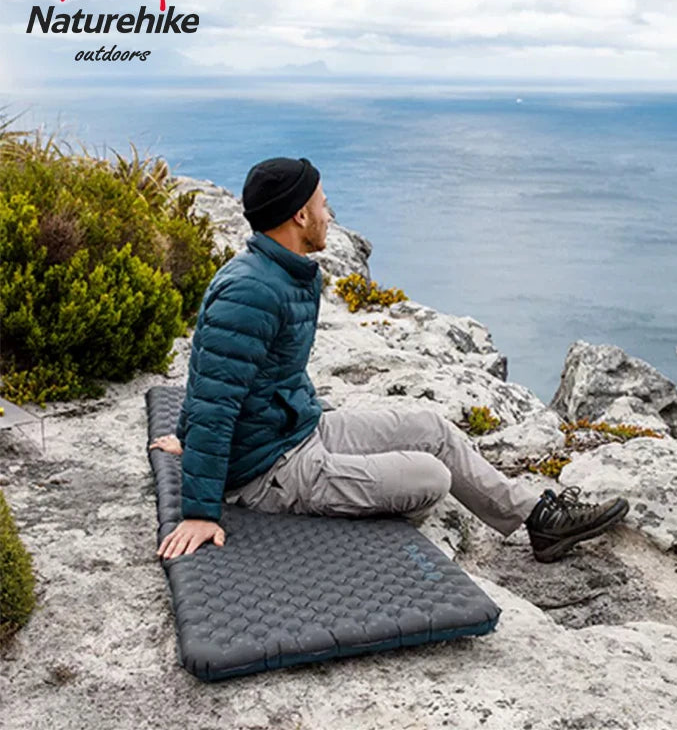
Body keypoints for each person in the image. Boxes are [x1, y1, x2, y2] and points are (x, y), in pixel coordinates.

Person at [151, 156, 629, 564]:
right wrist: (200, 510)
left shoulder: (281, 273)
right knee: (431, 477)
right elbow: (216, 396)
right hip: (266, 473)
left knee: (432, 429)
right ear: (298, 216)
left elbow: (215, 375)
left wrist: (188, 435)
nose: (328, 213)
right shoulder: (251, 291)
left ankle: (538, 518)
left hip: (297, 432)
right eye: (321, 204)